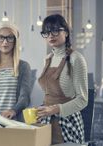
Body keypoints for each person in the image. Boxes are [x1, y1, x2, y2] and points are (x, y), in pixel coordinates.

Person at [36, 14, 88, 144]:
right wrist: (41, 112)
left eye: (55, 30)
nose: (50, 36)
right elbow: (49, 95)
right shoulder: (48, 59)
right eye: (46, 32)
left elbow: (83, 100)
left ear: (65, 32)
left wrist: (55, 109)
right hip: (46, 121)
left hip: (67, 122)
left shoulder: (76, 58)